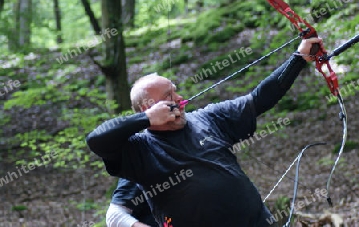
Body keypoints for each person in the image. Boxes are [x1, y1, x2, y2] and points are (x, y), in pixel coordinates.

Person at [86, 37, 323, 227]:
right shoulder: (138, 149)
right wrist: (147, 119)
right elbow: (97, 140)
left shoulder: (210, 117)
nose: (179, 99)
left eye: (175, 91)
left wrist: (299, 57)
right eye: (169, 96)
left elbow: (259, 99)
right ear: (150, 107)